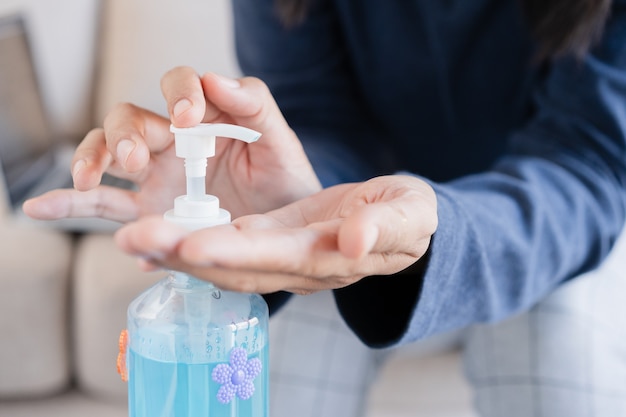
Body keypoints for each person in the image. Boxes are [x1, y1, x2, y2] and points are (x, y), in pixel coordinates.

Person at [24, 0, 626, 415]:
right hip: (349, 219)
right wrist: (296, 200)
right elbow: (318, 111)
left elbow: (591, 156)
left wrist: (436, 230)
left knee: (559, 364)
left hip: (545, 224)